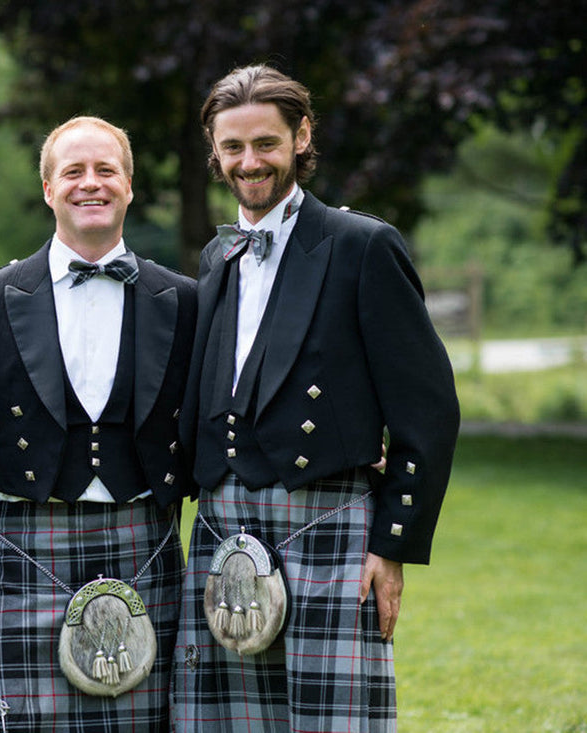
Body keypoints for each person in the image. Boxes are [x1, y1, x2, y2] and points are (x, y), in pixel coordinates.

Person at [173, 64, 460, 731]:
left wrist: (392, 543)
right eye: (234, 146)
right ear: (215, 152)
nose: (251, 162)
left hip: (329, 520)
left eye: (266, 143)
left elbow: (428, 410)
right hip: (224, 519)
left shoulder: (361, 246)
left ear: (301, 136)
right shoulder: (218, 258)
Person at [0, 116, 196, 731]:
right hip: (23, 542)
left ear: (129, 186)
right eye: (73, 171)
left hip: (144, 538)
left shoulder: (182, 298)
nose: (90, 184)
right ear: (49, 189)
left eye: (106, 170)